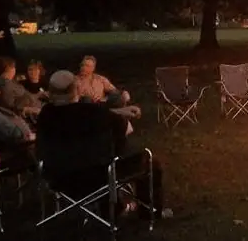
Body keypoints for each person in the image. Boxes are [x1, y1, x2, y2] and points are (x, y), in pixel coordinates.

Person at [37, 71, 170, 219]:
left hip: (58, 178)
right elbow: (125, 130)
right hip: (98, 177)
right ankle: (149, 213)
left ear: (51, 93)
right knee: (150, 162)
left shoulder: (45, 116)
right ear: (77, 89)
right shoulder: (93, 112)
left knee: (99, 160)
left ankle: (116, 208)